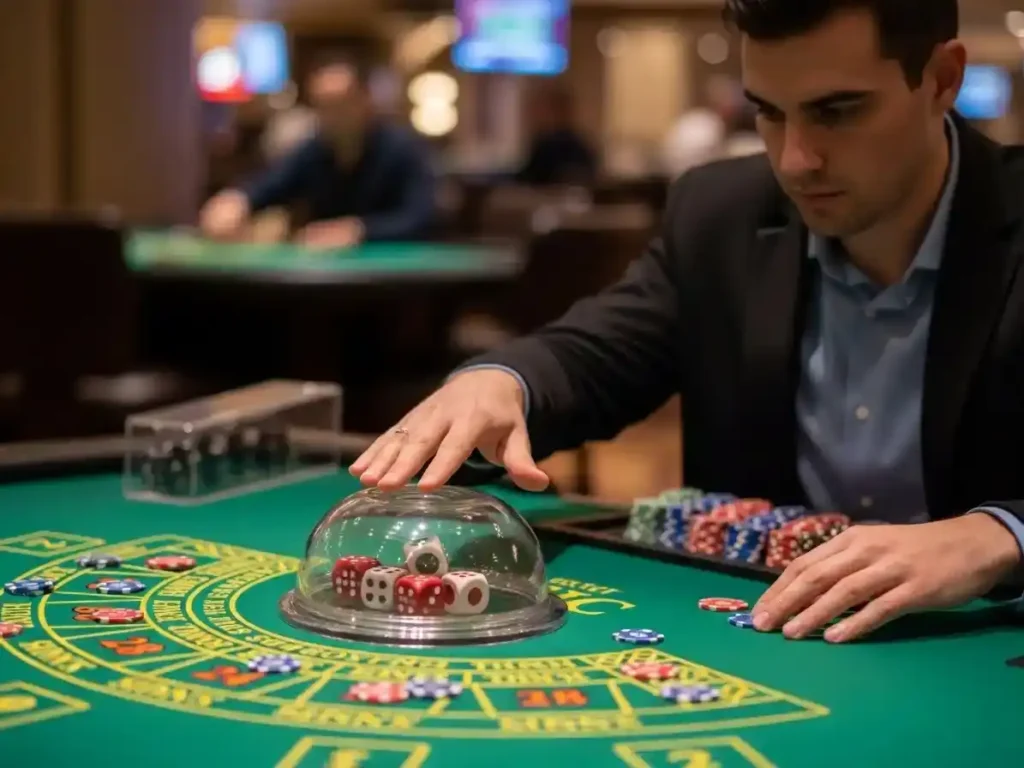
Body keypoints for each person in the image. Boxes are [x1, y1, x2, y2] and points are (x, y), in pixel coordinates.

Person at [351, 0, 1024, 643]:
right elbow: (600, 349)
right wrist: (504, 381)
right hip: (765, 644)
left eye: (837, 111)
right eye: (768, 112)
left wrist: (1000, 535)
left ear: (942, 79)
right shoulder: (719, 212)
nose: (795, 160)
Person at [199, 59, 437, 247]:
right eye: (322, 106)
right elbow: (273, 183)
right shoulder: (315, 151)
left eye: (340, 104)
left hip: (400, 286)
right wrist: (238, 200)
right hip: (330, 282)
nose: (331, 116)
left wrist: (359, 230)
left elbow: (423, 216)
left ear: (365, 102)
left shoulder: (403, 149)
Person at [514, 82, 599, 187]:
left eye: (538, 108)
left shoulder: (550, 146)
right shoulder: (583, 143)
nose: (533, 114)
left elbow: (530, 179)